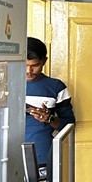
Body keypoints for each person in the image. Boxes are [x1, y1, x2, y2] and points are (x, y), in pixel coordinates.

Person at [25, 37, 75, 167]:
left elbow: (69, 125)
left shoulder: (57, 87)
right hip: (7, 156)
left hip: (41, 158)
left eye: (34, 66)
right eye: (24, 65)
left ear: (44, 61)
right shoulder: (4, 85)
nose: (28, 71)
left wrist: (49, 119)